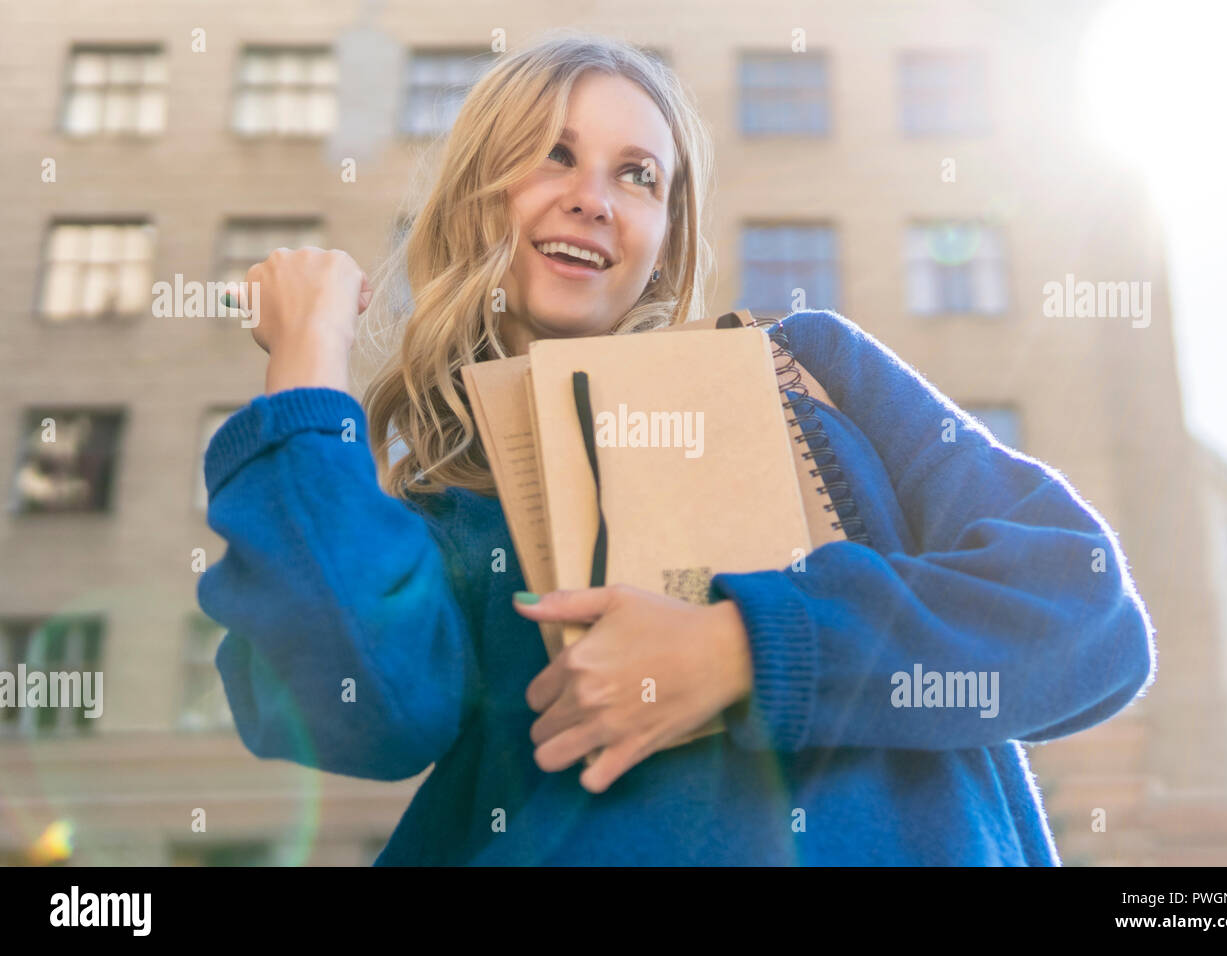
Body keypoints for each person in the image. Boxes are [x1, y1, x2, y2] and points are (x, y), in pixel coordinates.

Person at [198, 30, 1156, 865]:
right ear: (476, 200)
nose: (593, 199)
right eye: (552, 156)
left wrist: (748, 651)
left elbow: (1087, 615)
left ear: (666, 235)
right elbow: (360, 708)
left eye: (638, 175)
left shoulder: (808, 369)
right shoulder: (443, 517)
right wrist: (306, 363)